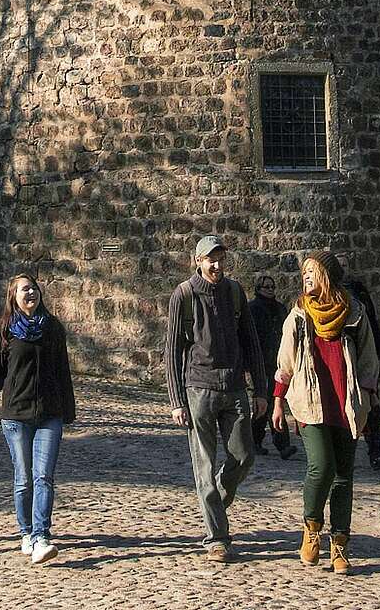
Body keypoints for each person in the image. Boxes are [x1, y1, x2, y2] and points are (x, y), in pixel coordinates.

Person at [272, 251, 380, 576]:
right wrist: (278, 401)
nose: (306, 280)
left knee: (344, 475)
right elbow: (285, 361)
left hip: (346, 403)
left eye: (312, 274)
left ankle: (340, 545)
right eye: (304, 275)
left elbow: (368, 361)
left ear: (327, 277)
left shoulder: (355, 313)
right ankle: (311, 528)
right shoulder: (299, 315)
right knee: (322, 466)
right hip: (310, 401)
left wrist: (370, 401)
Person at [165, 235, 268, 562]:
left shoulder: (235, 292)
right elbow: (172, 352)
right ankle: (217, 538)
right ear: (197, 261)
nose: (217, 265)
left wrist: (261, 390)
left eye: (221, 258)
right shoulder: (184, 294)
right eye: (211, 259)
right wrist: (176, 400)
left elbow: (251, 342)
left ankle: (214, 504)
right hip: (199, 389)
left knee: (244, 457)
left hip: (235, 387)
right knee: (204, 467)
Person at [0, 273, 75, 565]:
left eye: (34, 288)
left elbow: (63, 371)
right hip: (16, 415)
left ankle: (41, 537)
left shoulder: (53, 328)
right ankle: (25, 532)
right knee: (24, 480)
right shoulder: (5, 330)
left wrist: (68, 409)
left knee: (43, 477)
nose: (31, 293)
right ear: (13, 297)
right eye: (24, 290)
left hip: (50, 413)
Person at [341, 272, 380, 470]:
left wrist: (378, 354)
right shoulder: (332, 302)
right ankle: (342, 457)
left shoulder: (361, 296)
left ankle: (377, 452)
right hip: (343, 366)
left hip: (363, 363)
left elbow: (371, 328)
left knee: (373, 408)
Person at [248, 274, 297, 460]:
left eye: (272, 287)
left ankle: (258, 441)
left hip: (277, 361)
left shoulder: (280, 309)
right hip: (260, 362)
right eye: (266, 287)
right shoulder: (253, 309)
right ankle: (280, 443)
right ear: (259, 289)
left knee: (272, 400)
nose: (269, 290)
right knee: (266, 401)